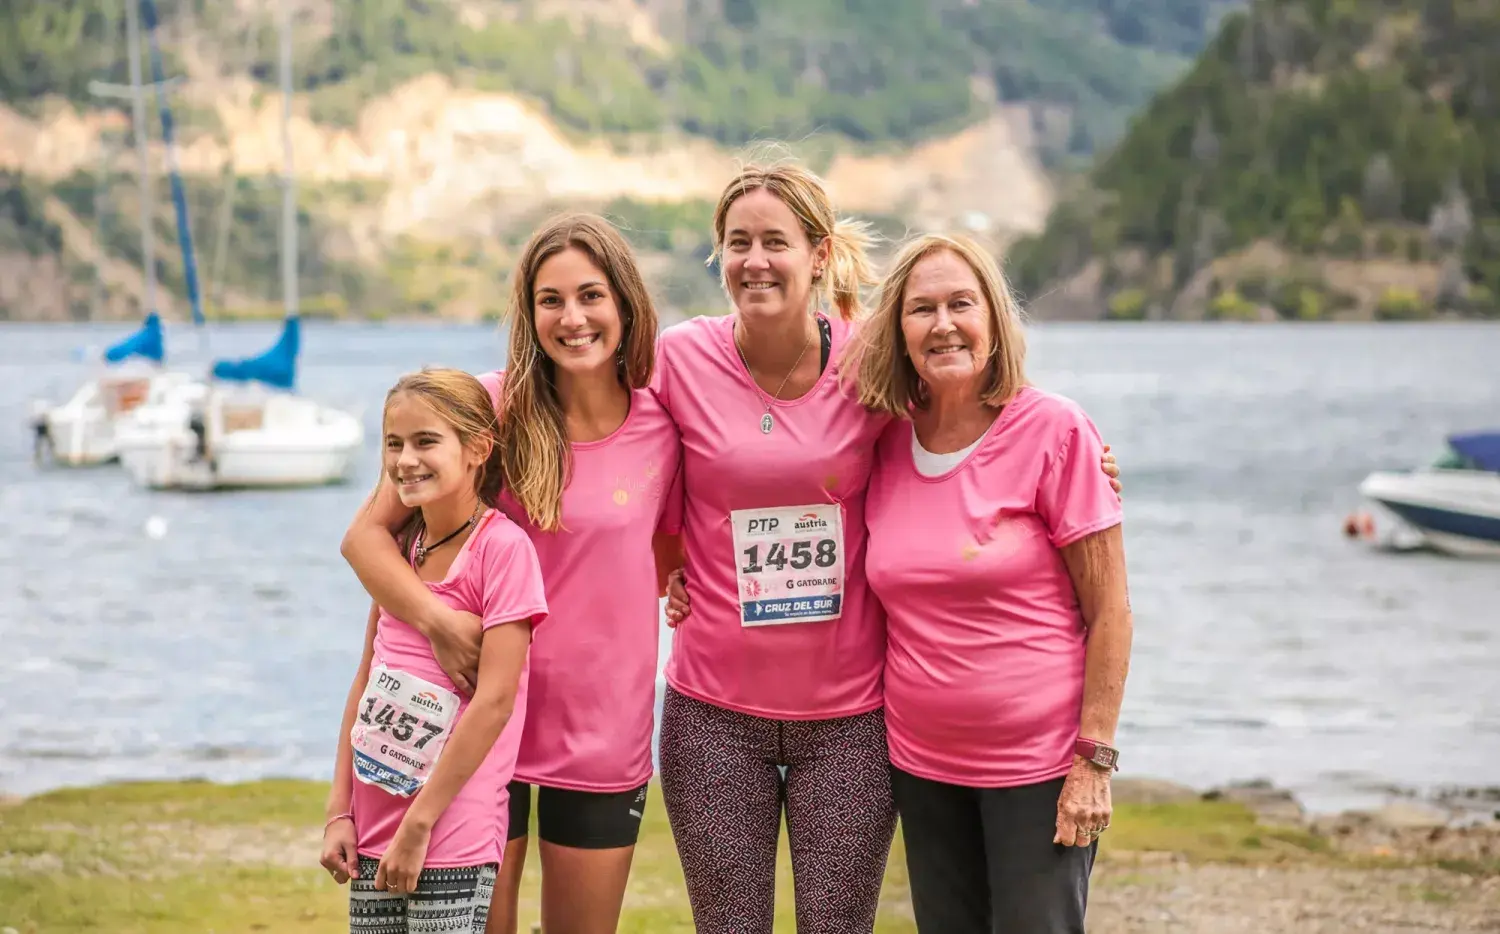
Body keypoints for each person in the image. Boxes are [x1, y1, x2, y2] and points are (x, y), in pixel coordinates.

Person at [341, 214, 683, 934]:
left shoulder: (663, 424)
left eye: (591, 295)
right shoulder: (489, 408)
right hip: (475, 720)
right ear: (529, 314)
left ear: (625, 303)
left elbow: (666, 557)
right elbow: (366, 540)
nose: (572, 318)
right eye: (550, 299)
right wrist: (440, 623)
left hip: (603, 728)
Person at [851, 233, 1132, 934]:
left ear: (995, 320)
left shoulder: (1055, 431)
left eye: (961, 304)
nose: (943, 324)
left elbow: (1111, 612)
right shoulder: (883, 440)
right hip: (921, 765)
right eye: (922, 309)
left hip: (1038, 767)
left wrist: (1094, 761)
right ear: (898, 330)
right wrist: (684, 565)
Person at [320, 368, 548, 934]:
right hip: (374, 826)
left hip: (450, 832)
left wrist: (419, 824)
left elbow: (494, 703)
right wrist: (340, 810)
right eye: (394, 444)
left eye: (426, 442)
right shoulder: (399, 550)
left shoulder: (503, 551)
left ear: (477, 450)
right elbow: (366, 683)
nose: (405, 460)